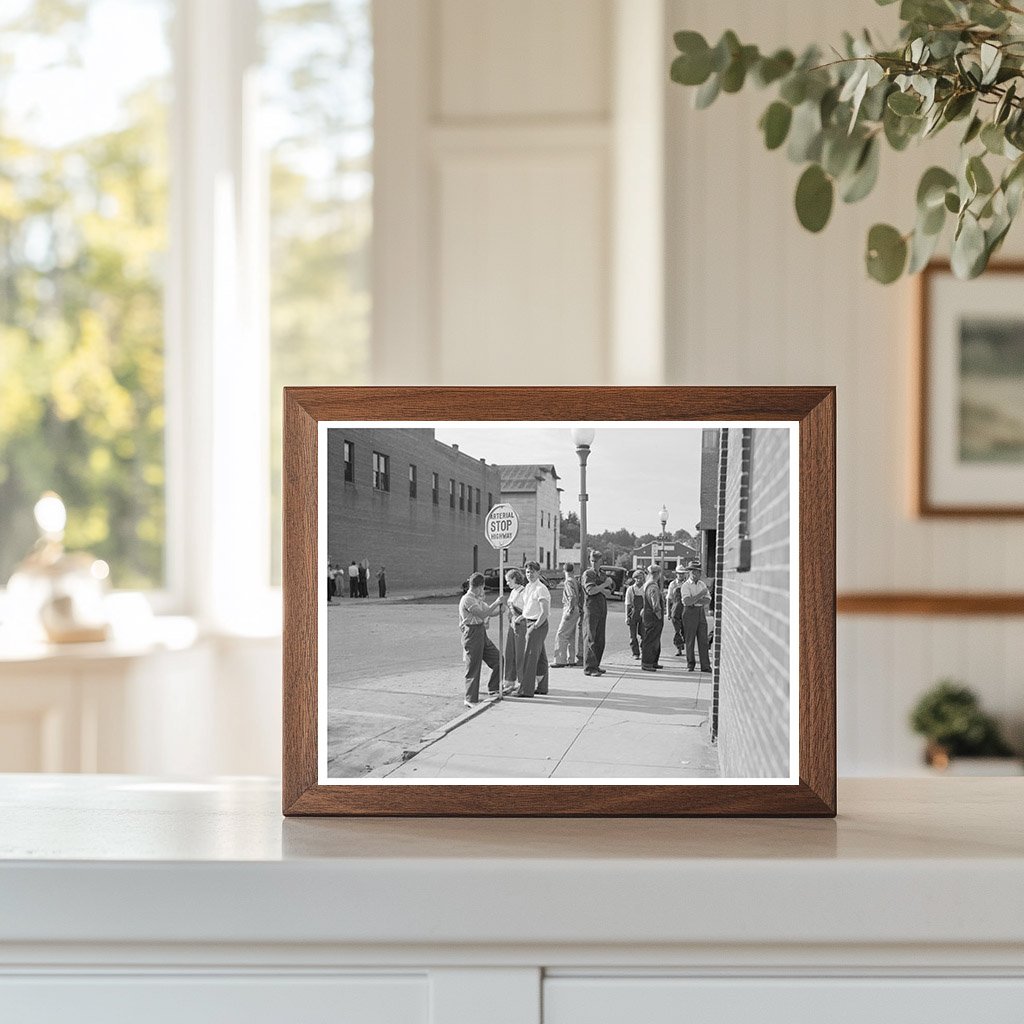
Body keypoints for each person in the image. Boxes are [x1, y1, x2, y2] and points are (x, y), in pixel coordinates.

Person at [458, 572, 503, 706]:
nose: (483, 590)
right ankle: (470, 698)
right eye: (483, 587)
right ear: (479, 586)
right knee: (473, 666)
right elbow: (483, 614)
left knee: (498, 659)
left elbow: (489, 611)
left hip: (481, 631)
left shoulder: (477, 599)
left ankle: (494, 687)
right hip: (472, 633)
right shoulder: (468, 599)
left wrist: (501, 609)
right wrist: (496, 603)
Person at [515, 561, 550, 697]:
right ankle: (542, 687)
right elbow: (528, 607)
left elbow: (544, 611)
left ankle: (525, 690)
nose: (530, 574)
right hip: (529, 622)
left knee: (529, 657)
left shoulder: (541, 589)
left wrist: (535, 626)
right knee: (540, 657)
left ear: (538, 572)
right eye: (528, 572)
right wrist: (522, 617)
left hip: (537, 624)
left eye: (533, 571)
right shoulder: (528, 587)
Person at [581, 549, 614, 676]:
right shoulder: (588, 574)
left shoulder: (601, 574)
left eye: (596, 561)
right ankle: (589, 667)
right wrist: (604, 585)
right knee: (590, 638)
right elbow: (591, 591)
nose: (594, 563)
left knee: (600, 639)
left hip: (601, 607)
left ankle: (596, 664)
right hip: (591, 608)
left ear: (601, 561)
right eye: (592, 560)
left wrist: (603, 588)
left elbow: (608, 591)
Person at [680, 560, 713, 673]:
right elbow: (687, 601)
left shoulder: (702, 584)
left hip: (700, 612)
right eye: (693, 571)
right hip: (689, 612)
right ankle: (690, 664)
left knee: (703, 639)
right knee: (690, 640)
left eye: (698, 572)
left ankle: (705, 665)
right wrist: (700, 595)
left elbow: (708, 600)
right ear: (690, 572)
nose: (695, 574)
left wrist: (696, 599)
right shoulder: (685, 586)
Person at [502, 568, 527, 694]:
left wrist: (519, 618)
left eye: (509, 580)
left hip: (521, 625)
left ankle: (523, 682)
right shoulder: (513, 592)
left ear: (515, 578)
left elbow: (529, 610)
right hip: (512, 625)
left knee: (520, 654)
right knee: (510, 652)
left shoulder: (524, 592)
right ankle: (509, 680)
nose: (507, 583)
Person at [552, 563, 581, 667]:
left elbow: (571, 596)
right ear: (573, 570)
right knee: (570, 635)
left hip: (570, 607)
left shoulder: (568, 582)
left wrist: (569, 610)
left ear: (564, 571)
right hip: (577, 608)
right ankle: (571, 659)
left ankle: (560, 660)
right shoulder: (575, 580)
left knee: (561, 634)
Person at [640, 564, 665, 672]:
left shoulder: (648, 585)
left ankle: (653, 661)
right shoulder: (653, 587)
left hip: (649, 617)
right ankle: (647, 663)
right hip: (653, 618)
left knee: (654, 641)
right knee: (650, 640)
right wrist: (659, 616)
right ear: (657, 574)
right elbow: (655, 605)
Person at [623, 568, 646, 659]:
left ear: (643, 578)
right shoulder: (630, 589)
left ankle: (643, 649)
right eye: (636, 578)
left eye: (640, 577)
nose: (638, 579)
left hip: (643, 614)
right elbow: (627, 604)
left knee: (644, 634)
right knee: (633, 635)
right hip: (633, 614)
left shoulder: (645, 588)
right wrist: (626, 617)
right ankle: (635, 653)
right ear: (634, 578)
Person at [666, 562, 687, 657]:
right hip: (675, 609)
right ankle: (679, 648)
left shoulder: (687, 583)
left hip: (686, 609)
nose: (681, 575)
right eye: (679, 573)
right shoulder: (672, 584)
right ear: (676, 574)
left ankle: (684, 644)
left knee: (685, 630)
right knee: (677, 630)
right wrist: (668, 612)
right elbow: (669, 598)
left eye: (682, 573)